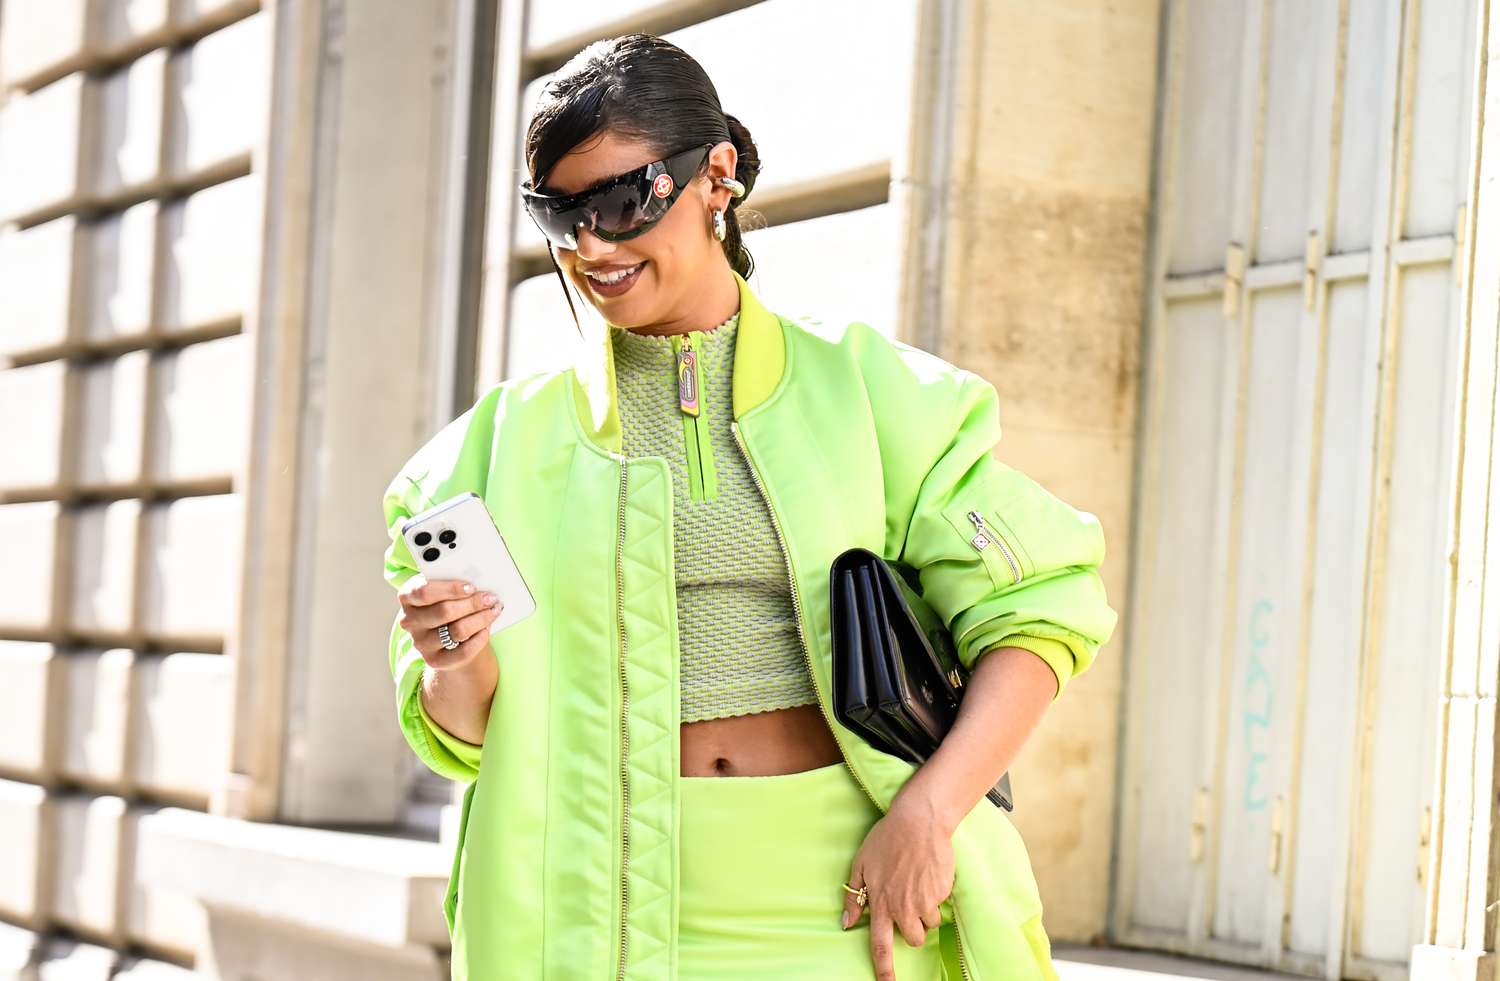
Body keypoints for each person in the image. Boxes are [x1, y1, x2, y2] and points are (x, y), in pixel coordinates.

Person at [381, 33, 1117, 981]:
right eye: (560, 218)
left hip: (846, 896)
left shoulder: (876, 395)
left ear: (715, 176)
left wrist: (930, 812)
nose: (592, 247)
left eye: (620, 201)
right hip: (591, 908)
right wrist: (456, 657)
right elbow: (465, 738)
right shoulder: (487, 454)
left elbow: (1038, 615)